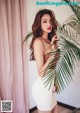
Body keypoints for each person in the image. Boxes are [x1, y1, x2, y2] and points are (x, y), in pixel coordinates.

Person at [30, 9, 60, 113]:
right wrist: (52, 53)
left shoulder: (52, 41)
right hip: (42, 88)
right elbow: (41, 73)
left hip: (50, 87)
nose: (49, 24)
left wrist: (55, 83)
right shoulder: (38, 42)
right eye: (45, 21)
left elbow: (53, 67)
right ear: (39, 24)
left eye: (51, 21)